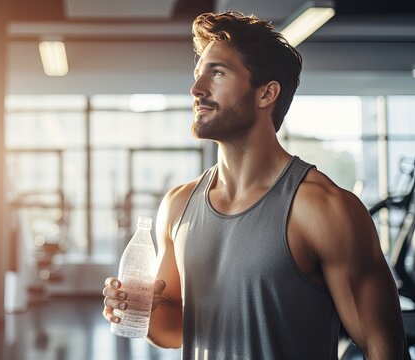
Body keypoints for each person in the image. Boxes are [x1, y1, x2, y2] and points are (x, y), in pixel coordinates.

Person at [103, 11, 408, 360]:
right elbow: (174, 328)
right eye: (198, 74)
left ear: (266, 94)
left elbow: (385, 347)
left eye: (217, 73)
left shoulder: (324, 208)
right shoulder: (177, 205)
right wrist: (136, 308)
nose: (196, 89)